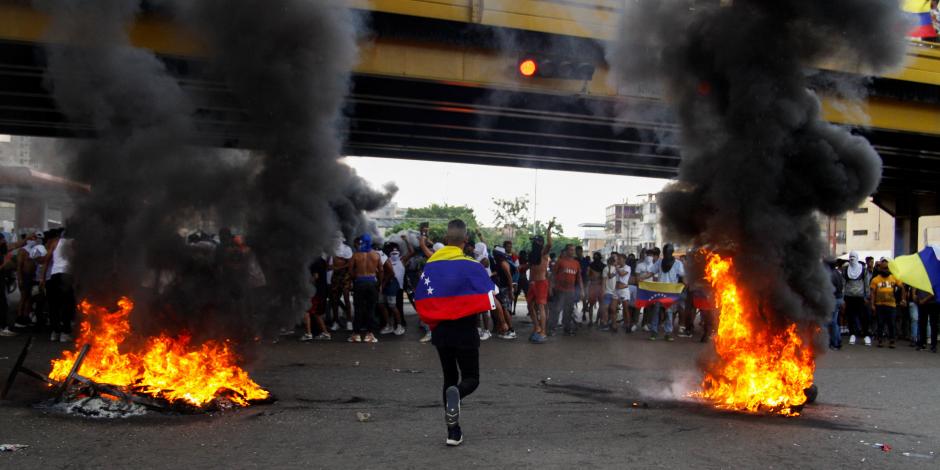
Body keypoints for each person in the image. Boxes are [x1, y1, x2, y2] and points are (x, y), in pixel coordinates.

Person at [414, 219, 494, 447]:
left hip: (441, 333)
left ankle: (453, 432)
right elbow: (488, 299)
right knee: (471, 379)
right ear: (465, 241)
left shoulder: (431, 266)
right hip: (466, 331)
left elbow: (421, 297)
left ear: (446, 240)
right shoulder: (472, 266)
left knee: (449, 378)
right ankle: (457, 394)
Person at [40, 228, 75, 343]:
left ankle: (55, 332)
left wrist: (42, 278)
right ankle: (65, 332)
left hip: (54, 275)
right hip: (66, 276)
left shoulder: (55, 242)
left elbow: (46, 261)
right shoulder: (73, 243)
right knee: (67, 304)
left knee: (53, 305)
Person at [347, 234, 382, 343]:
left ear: (361, 242)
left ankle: (356, 334)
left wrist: (356, 277)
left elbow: (350, 270)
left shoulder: (356, 255)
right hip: (372, 282)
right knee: (370, 309)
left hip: (359, 282)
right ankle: (369, 334)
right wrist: (379, 283)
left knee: (358, 308)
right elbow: (381, 270)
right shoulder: (376, 255)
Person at [649, 244, 684, 341]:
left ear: (671, 252)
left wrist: (686, 283)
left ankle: (668, 333)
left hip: (671, 292)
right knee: (656, 312)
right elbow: (651, 272)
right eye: (665, 252)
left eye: (668, 252)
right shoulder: (659, 262)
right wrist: (641, 278)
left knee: (669, 313)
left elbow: (683, 275)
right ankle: (654, 332)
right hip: (659, 291)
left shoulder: (678, 264)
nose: (666, 254)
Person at [526, 221, 553, 343]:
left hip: (541, 283)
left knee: (541, 307)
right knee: (530, 306)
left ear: (540, 243)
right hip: (532, 283)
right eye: (533, 241)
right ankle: (537, 327)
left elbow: (550, 244)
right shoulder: (532, 254)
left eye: (536, 241)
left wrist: (548, 230)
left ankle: (543, 332)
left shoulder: (544, 253)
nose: (533, 243)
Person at [549, 243, 584, 336]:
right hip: (560, 290)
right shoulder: (560, 262)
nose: (572, 252)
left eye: (573, 250)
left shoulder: (576, 263)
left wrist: (582, 290)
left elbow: (579, 277)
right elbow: (553, 275)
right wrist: (550, 287)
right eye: (570, 250)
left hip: (570, 291)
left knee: (568, 311)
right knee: (557, 309)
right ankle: (552, 329)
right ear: (566, 251)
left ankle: (567, 329)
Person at [869, 260, 902, 349]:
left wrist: (903, 299)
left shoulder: (894, 278)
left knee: (891, 323)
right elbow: (872, 293)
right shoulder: (875, 280)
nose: (886, 270)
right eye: (884, 268)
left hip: (891, 305)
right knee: (880, 323)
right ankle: (880, 340)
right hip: (879, 305)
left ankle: (892, 341)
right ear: (880, 268)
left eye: (887, 268)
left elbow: (901, 286)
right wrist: (872, 304)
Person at [843, 252, 871, 346]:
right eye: (850, 257)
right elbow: (843, 283)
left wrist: (867, 296)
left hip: (860, 297)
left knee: (863, 317)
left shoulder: (863, 269)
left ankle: (866, 335)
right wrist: (843, 297)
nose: (852, 259)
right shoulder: (846, 269)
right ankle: (852, 334)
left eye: (853, 257)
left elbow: (866, 284)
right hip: (849, 296)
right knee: (850, 317)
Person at [301, 255, 331, 341]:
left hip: (315, 291)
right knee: (316, 313)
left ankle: (308, 334)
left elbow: (315, 277)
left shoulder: (314, 261)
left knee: (307, 311)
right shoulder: (322, 260)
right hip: (321, 290)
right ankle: (325, 333)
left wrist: (306, 284)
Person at [379, 245, 406, 336]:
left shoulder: (384, 259)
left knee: (392, 306)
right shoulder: (379, 257)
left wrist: (383, 284)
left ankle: (399, 326)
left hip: (391, 285)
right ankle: (388, 326)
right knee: (382, 305)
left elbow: (391, 273)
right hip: (382, 285)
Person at [329, 234, 354, 332]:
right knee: (334, 300)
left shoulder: (347, 249)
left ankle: (349, 321)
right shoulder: (332, 249)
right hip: (335, 277)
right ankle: (336, 322)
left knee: (347, 299)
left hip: (345, 277)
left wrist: (338, 268)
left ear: (342, 239)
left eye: (338, 238)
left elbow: (350, 263)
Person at [492, 246, 517, 339]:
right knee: (504, 308)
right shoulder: (499, 263)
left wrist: (511, 291)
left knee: (505, 309)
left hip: (505, 289)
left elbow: (509, 277)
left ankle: (511, 330)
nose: (493, 255)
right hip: (502, 288)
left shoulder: (503, 263)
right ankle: (506, 330)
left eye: (495, 253)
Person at [827, 259, 844, 350]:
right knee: (834, 322)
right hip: (838, 299)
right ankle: (837, 341)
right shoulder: (837, 273)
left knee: (832, 322)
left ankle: (835, 343)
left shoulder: (830, 275)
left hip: (833, 300)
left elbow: (830, 289)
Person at [914, 286, 938, 352]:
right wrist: (916, 296)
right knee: (922, 324)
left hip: (933, 304)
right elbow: (916, 291)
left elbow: (933, 293)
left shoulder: (933, 279)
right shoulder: (920, 280)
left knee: (933, 325)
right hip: (922, 304)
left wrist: (924, 300)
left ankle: (933, 345)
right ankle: (922, 343)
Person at [585, 252, 605, 325]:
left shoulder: (590, 266)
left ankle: (591, 321)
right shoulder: (603, 266)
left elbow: (587, 276)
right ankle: (596, 320)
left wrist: (593, 277)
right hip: (598, 286)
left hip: (594, 286)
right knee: (600, 305)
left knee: (592, 305)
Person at [615, 253, 633, 333]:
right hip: (616, 290)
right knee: (614, 308)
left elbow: (622, 274)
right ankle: (615, 324)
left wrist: (616, 268)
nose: (618, 260)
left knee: (626, 309)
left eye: (620, 259)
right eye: (618, 259)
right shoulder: (617, 267)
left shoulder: (628, 268)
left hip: (624, 290)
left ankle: (628, 325)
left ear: (624, 259)